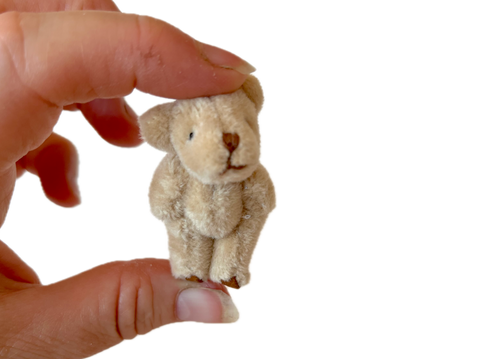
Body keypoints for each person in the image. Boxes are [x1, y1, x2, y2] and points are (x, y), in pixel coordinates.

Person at [0, 1, 257, 357]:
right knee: (185, 242)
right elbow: (163, 202)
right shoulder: (178, 169)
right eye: (194, 137)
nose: (228, 144)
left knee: (235, 244)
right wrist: (168, 206)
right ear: (168, 134)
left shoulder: (254, 179)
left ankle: (228, 267)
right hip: (191, 226)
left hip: (231, 230)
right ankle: (191, 270)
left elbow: (262, 205)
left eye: (242, 126)